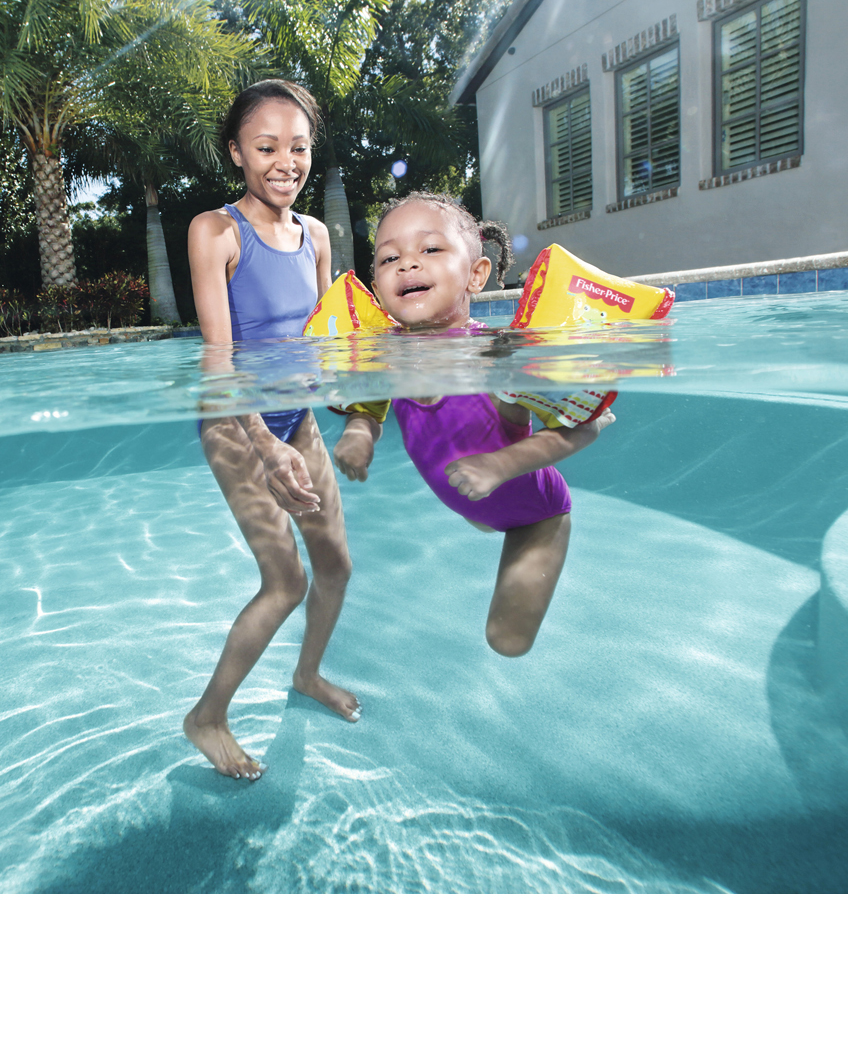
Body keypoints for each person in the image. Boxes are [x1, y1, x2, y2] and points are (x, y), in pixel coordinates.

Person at [332, 192, 615, 659]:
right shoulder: (384, 356)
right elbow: (369, 408)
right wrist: (357, 434)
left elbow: (574, 430)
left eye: (430, 249)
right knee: (480, 514)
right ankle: (487, 513)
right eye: (389, 258)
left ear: (477, 275)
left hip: (535, 513)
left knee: (507, 641)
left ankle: (601, 422)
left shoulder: (498, 357)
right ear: (377, 285)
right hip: (475, 502)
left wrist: (499, 466)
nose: (407, 264)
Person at [183, 80, 360, 781]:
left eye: (299, 147)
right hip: (236, 426)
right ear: (236, 153)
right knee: (285, 581)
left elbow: (321, 342)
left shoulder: (316, 235)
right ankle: (206, 717)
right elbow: (220, 359)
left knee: (336, 565)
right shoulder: (215, 232)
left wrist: (351, 407)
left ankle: (306, 675)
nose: (286, 162)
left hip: (297, 422)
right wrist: (265, 444)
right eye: (266, 148)